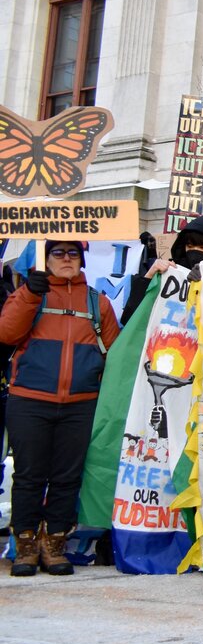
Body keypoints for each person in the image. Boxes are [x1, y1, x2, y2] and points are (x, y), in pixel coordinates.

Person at [1, 240, 121, 576]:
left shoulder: (97, 302)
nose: (67, 259)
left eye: (73, 253)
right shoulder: (30, 294)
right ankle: (25, 547)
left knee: (67, 479)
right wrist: (29, 294)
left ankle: (54, 545)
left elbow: (114, 351)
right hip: (30, 401)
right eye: (58, 253)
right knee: (28, 476)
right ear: (45, 258)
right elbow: (7, 332)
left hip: (81, 405)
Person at [121, 215, 203, 324]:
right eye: (189, 246)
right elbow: (130, 318)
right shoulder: (170, 272)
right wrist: (149, 276)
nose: (195, 251)